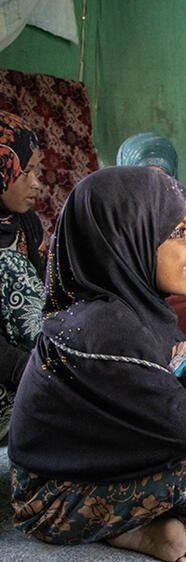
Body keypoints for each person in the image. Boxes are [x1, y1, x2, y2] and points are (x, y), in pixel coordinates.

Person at [8, 166, 186, 562]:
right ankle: (128, 528)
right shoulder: (106, 328)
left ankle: (143, 519)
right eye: (178, 233)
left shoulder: (131, 306)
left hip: (103, 463)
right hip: (51, 500)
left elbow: (185, 364)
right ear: (126, 241)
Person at [0, 111, 46, 439]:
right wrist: (35, 372)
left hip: (30, 365)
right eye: (26, 171)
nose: (36, 183)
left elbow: (50, 300)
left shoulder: (27, 225)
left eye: (36, 171)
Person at [116, 132, 186, 289]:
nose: (154, 188)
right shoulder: (110, 226)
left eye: (163, 178)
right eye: (143, 177)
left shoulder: (183, 225)